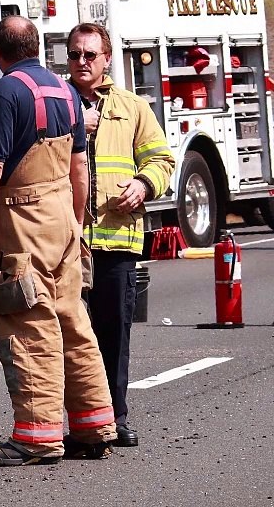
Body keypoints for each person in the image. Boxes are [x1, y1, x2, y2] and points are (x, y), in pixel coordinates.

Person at [0, 15, 118, 466]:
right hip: (63, 220)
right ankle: (94, 426)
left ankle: (37, 437)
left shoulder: (6, 92)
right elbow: (80, 166)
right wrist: (74, 223)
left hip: (22, 224)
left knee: (28, 324)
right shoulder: (67, 91)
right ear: (38, 46)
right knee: (73, 322)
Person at [67, 22, 175, 448]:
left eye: (89, 55)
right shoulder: (57, 103)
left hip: (115, 241)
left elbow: (162, 160)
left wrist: (145, 185)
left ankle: (115, 419)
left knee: (113, 336)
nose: (81, 62)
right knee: (70, 340)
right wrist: (78, 125)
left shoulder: (133, 108)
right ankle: (79, 422)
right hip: (68, 242)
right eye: (75, 54)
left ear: (107, 59)